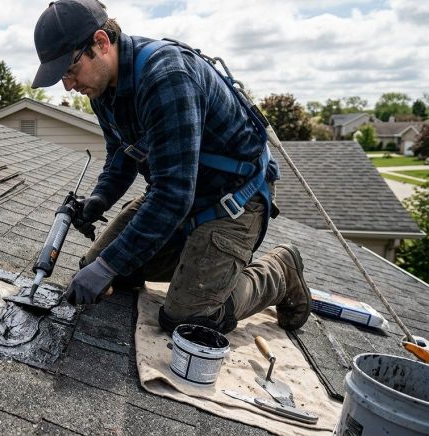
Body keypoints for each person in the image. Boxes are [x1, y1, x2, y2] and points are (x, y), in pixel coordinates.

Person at [31, 0, 311, 333]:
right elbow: (121, 153)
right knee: (96, 267)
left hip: (233, 199)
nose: (68, 85)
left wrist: (110, 264)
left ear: (101, 44)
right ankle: (206, 261)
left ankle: (279, 270)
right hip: (180, 193)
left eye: (70, 70)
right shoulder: (102, 88)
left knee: (189, 318)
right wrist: (100, 199)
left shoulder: (167, 77)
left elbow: (172, 195)